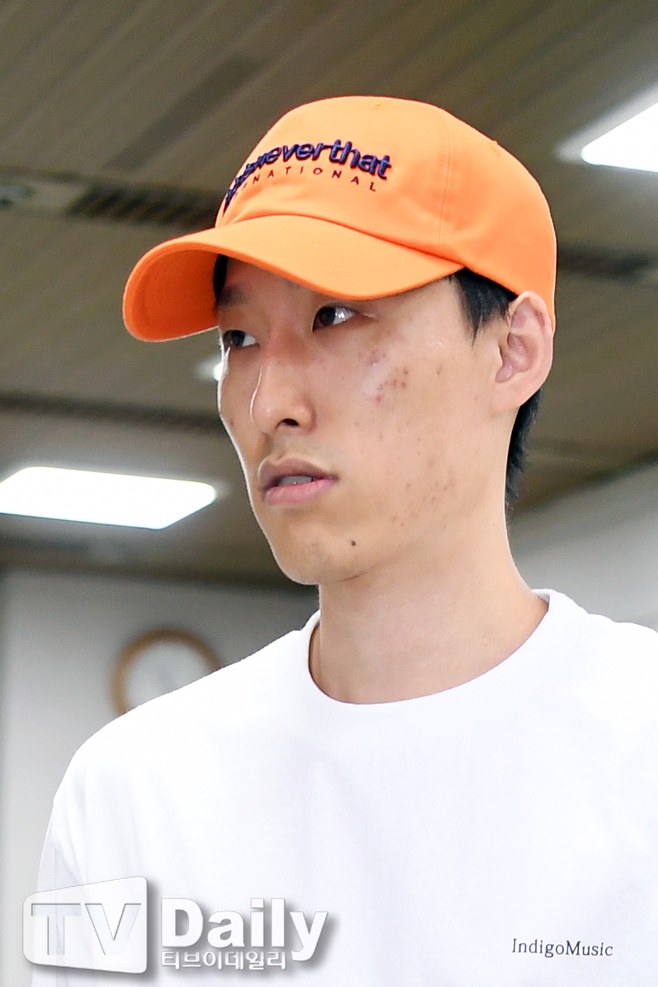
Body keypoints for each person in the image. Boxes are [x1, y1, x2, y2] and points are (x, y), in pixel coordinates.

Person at [32, 96, 658, 985]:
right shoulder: (130, 792)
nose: (267, 402)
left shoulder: (639, 746)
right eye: (240, 337)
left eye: (334, 316)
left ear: (513, 350)